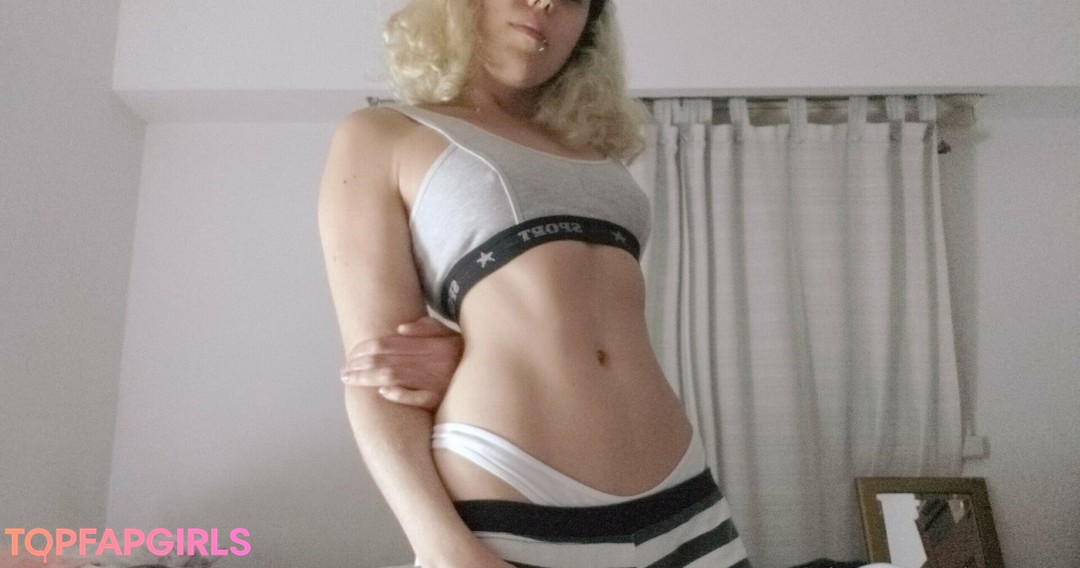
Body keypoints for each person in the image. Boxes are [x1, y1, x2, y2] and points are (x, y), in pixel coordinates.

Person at [318, 0, 752, 566]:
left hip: (683, 497)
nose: (546, 3)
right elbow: (375, 371)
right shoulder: (382, 135)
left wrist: (470, 349)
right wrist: (442, 548)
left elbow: (567, 311)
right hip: (515, 491)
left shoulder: (594, 152)